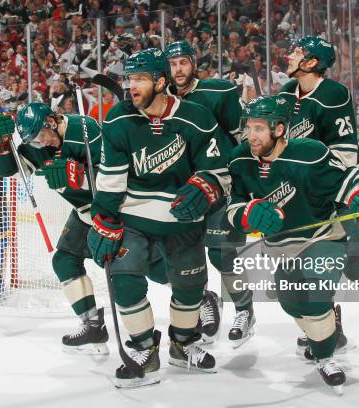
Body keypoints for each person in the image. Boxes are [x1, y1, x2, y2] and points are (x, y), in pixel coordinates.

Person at [89, 49, 231, 388]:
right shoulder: (119, 118)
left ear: (161, 82)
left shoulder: (197, 118)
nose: (130, 86)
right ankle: (144, 348)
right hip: (134, 218)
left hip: (183, 221)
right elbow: (110, 179)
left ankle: (183, 344)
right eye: (128, 79)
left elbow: (220, 171)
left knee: (191, 287)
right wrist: (103, 220)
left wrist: (208, 186)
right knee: (124, 278)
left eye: (139, 79)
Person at [227, 95, 359, 394]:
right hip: (282, 248)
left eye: (259, 128)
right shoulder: (240, 159)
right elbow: (233, 205)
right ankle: (328, 342)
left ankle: (326, 357)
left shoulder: (310, 154)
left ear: (279, 129)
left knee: (315, 295)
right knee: (291, 302)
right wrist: (247, 215)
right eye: (249, 127)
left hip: (323, 237)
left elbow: (349, 178)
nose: (251, 135)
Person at [278, 36, 359, 358]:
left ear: (310, 63)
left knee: (356, 262)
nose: (289, 55)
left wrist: (333, 188)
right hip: (310, 195)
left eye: (297, 52)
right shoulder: (284, 94)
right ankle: (332, 331)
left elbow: (345, 153)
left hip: (345, 189)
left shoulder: (331, 92)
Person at [0, 102, 109, 355]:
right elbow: (10, 172)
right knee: (64, 261)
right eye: (35, 140)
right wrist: (0, 144)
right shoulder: (37, 145)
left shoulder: (85, 130)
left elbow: (115, 174)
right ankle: (92, 325)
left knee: (141, 270)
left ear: (52, 122)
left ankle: (195, 296)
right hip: (83, 213)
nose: (42, 143)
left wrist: (80, 176)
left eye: (43, 135)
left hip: (113, 213)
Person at [165, 40, 254, 347]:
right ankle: (205, 299)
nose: (178, 70)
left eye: (183, 63)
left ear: (194, 62)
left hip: (219, 182)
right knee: (180, 256)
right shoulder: (162, 99)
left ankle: (244, 309)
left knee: (222, 253)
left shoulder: (219, 92)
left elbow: (242, 137)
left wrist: (248, 180)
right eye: (173, 64)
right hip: (182, 189)